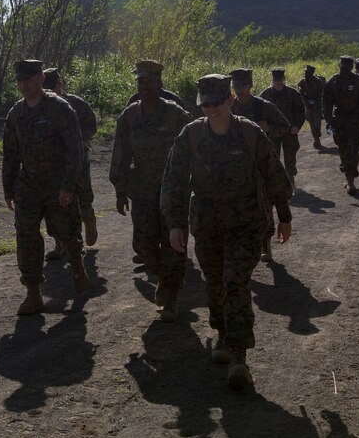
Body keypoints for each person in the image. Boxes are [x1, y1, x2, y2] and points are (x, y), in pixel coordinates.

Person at [161, 74, 293, 390]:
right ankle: (221, 333)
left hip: (246, 223)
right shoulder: (191, 136)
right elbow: (174, 181)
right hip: (206, 225)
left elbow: (274, 175)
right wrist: (175, 224)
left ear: (230, 100)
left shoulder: (250, 134)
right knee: (215, 282)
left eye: (216, 103)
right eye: (204, 104)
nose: (210, 109)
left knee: (235, 281)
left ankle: (239, 356)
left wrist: (284, 217)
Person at [2, 59, 88, 316]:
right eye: (19, 80)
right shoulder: (16, 114)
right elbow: (10, 155)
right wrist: (8, 190)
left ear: (40, 78)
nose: (23, 84)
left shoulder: (59, 109)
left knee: (66, 233)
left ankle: (76, 264)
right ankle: (33, 293)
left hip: (58, 185)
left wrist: (68, 186)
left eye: (28, 79)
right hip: (28, 187)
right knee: (26, 237)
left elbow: (76, 150)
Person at [110, 60, 193, 322]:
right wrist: (120, 191)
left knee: (173, 246)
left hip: (173, 191)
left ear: (160, 84)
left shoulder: (175, 114)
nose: (143, 86)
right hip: (143, 192)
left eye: (148, 81)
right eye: (139, 82)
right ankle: (163, 279)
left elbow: (194, 150)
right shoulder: (130, 116)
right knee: (143, 246)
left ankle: (170, 297)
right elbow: (120, 155)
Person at [229, 68, 292, 263]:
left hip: (262, 165)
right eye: (237, 85)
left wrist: (269, 128)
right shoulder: (229, 107)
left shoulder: (264, 107)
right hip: (236, 166)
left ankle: (266, 246)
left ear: (251, 85)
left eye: (244, 85)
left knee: (265, 205)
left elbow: (285, 127)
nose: (240, 89)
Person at [41, 68, 99, 262]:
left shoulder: (75, 103)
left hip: (78, 160)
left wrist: (78, 141)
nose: (48, 91)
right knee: (56, 206)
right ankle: (61, 246)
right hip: (54, 165)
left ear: (60, 85)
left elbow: (91, 124)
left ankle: (89, 220)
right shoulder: (41, 105)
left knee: (83, 197)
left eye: (51, 87)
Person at [322, 55, 359, 195]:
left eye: (347, 68)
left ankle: (351, 181)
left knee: (354, 149)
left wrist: (358, 113)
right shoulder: (333, 81)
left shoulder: (358, 80)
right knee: (342, 149)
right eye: (343, 68)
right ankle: (348, 176)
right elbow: (326, 100)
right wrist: (329, 118)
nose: (345, 71)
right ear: (340, 66)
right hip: (339, 121)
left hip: (355, 121)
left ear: (351, 68)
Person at [259, 67, 305, 180]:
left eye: (279, 80)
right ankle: (277, 183)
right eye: (275, 80)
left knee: (290, 157)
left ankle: (290, 180)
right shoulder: (265, 95)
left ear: (283, 79)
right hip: (272, 132)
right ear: (272, 80)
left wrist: (297, 125)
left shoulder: (293, 93)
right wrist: (263, 126)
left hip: (290, 131)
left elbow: (300, 111)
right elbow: (258, 112)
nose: (277, 82)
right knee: (273, 159)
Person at [297, 65, 326, 148]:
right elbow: (300, 93)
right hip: (308, 106)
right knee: (311, 123)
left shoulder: (318, 81)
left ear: (312, 73)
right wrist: (306, 102)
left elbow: (322, 93)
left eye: (307, 72)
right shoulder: (302, 82)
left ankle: (317, 134)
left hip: (317, 106)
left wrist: (318, 103)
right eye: (305, 72)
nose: (305, 74)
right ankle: (316, 139)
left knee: (317, 123)